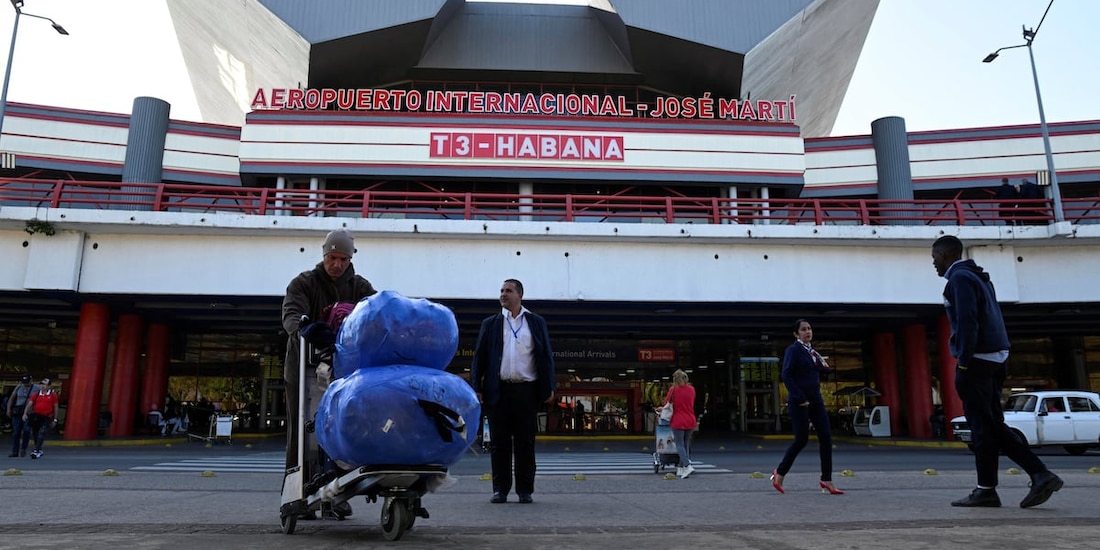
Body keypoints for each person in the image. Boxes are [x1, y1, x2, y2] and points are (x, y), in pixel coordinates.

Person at [932, 235, 1062, 508]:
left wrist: (964, 361)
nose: (933, 265)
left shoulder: (959, 279)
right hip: (995, 357)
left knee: (986, 424)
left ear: (944, 255)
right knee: (986, 426)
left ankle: (1040, 473)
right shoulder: (978, 276)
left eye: (934, 259)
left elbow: (968, 322)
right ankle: (986, 489)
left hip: (977, 360)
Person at [281, 229, 376, 516]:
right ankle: (298, 491)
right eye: (332, 258)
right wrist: (305, 328)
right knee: (304, 431)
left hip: (343, 370)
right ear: (324, 255)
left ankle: (337, 492)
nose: (337, 264)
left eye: (343, 259)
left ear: (351, 259)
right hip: (304, 367)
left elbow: (376, 312)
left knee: (341, 429)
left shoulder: (360, 287)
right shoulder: (304, 283)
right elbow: (290, 316)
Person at [470, 279, 556, 504]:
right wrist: (476, 387)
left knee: (525, 442)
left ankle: (525, 490)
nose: (503, 294)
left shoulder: (535, 322)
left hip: (526, 391)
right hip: (498, 391)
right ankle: (500, 489)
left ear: (520, 295)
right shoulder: (491, 323)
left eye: (508, 291)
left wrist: (549, 387)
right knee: (499, 443)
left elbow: (545, 355)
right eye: (501, 290)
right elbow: (479, 358)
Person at [771, 319, 843, 495]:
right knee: (801, 439)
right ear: (796, 334)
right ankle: (780, 473)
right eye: (803, 329)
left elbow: (818, 370)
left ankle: (827, 479)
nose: (808, 332)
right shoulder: (793, 350)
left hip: (816, 399)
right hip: (800, 401)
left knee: (826, 436)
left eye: (809, 328)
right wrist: (800, 397)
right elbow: (786, 375)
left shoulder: (812, 352)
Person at [660, 369, 697, 479]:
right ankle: (681, 468)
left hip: (678, 420)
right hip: (690, 419)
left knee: (679, 444)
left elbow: (667, 403)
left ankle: (687, 465)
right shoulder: (692, 389)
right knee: (685, 444)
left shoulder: (673, 390)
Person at [22, 377, 59, 459]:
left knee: (42, 432)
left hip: (47, 416)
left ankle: (36, 450)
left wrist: (55, 419)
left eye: (45, 385)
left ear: (49, 386)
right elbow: (30, 404)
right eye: (42, 384)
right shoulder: (36, 394)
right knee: (36, 433)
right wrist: (25, 413)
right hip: (36, 416)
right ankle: (38, 449)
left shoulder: (53, 395)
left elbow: (56, 407)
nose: (42, 386)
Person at [7, 375, 35, 457]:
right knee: (16, 432)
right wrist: (8, 409)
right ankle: (15, 451)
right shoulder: (19, 387)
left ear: (31, 380)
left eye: (27, 382)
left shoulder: (36, 388)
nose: (25, 384)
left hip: (29, 413)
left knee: (26, 430)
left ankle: (23, 449)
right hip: (18, 412)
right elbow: (12, 398)